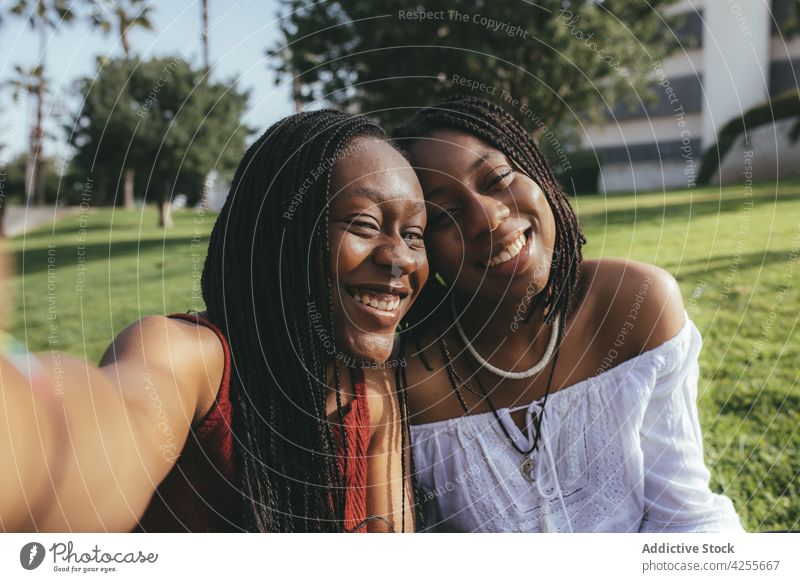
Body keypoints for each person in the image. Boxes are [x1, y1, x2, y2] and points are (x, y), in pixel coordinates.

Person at [0, 109, 428, 533]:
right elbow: (109, 434)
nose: (400, 259)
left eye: (413, 234)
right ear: (278, 231)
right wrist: (31, 433)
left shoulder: (372, 391)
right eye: (363, 224)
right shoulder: (189, 359)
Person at [392, 95, 744, 533]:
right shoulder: (408, 382)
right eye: (444, 214)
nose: (487, 217)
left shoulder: (634, 305)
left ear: (537, 173)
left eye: (498, 177)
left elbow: (685, 517)